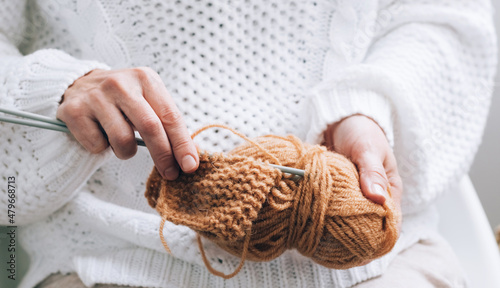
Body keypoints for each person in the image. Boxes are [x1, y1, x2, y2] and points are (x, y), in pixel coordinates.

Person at [0, 0, 496, 287]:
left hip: (375, 271)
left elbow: (443, 17)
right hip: (114, 261)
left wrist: (368, 107)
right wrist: (56, 90)